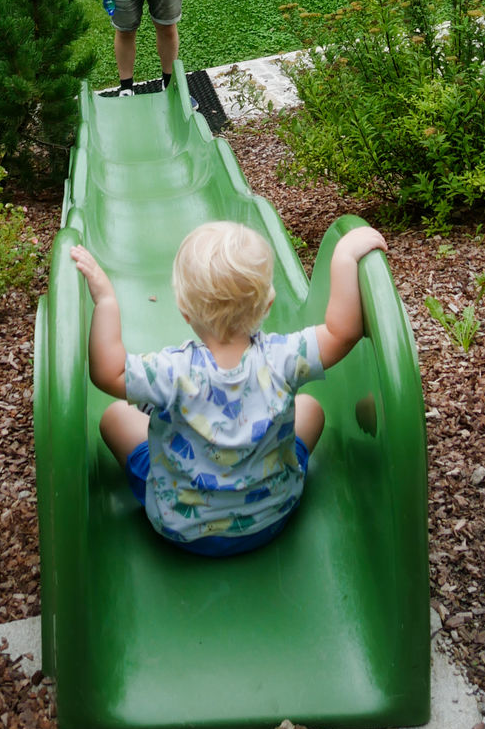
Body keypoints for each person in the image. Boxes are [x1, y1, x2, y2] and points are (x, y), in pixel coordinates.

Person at [69, 219, 388, 557]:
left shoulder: (173, 370)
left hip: (182, 525)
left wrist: (106, 301)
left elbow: (108, 372)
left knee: (115, 416)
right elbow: (343, 332)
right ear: (268, 304)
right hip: (270, 516)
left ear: (184, 311)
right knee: (311, 408)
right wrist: (345, 257)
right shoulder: (284, 357)